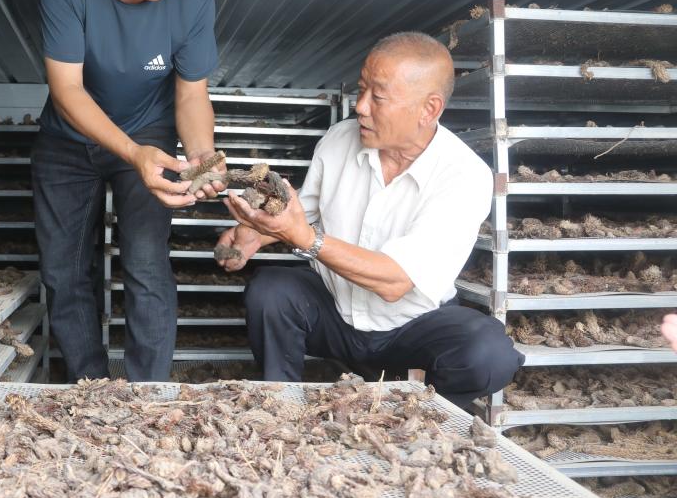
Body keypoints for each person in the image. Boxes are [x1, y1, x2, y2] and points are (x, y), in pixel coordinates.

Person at [216, 31, 523, 409]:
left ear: (428, 109)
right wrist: (254, 233)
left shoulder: (464, 175)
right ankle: (280, 409)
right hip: (335, 313)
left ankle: (420, 421)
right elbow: (304, 213)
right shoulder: (338, 140)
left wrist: (304, 238)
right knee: (270, 291)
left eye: (378, 97)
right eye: (362, 90)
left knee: (488, 353)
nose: (360, 106)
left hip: (412, 329)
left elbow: (395, 282)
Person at [32, 0, 224, 382]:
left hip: (149, 132)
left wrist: (202, 155)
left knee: (146, 262)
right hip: (68, 137)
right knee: (64, 270)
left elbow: (192, 94)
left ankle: (148, 396)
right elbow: (67, 89)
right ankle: (89, 389)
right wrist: (131, 153)